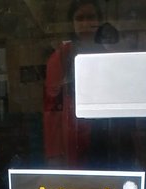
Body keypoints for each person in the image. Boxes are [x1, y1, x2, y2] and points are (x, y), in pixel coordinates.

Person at [43, 0, 105, 167]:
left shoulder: (107, 54)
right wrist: (54, 154)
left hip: (104, 132)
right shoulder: (60, 57)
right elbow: (52, 110)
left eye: (91, 17)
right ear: (72, 23)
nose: (85, 24)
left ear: (99, 21)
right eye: (80, 18)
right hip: (73, 135)